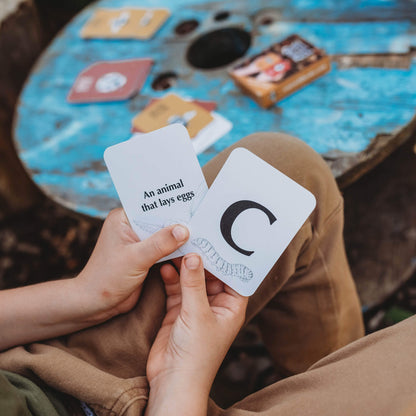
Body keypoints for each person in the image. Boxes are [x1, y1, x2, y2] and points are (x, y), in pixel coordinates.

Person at [0, 132, 414, 416]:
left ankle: (319, 374)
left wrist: (83, 297)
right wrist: (179, 385)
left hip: (40, 373)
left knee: (284, 165)